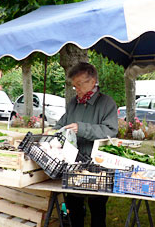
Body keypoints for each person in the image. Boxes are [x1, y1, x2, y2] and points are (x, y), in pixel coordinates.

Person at [48, 62, 118, 227]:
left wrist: (82, 128)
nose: (76, 89)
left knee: (97, 207)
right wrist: (52, 132)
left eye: (79, 85)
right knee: (73, 206)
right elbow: (62, 125)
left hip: (97, 166)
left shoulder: (107, 103)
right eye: (74, 86)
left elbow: (110, 131)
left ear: (93, 82)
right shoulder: (73, 103)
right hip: (72, 164)